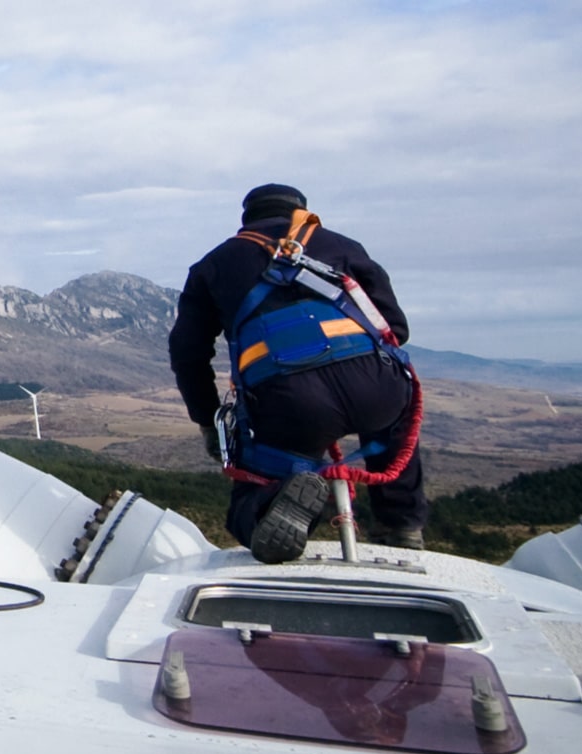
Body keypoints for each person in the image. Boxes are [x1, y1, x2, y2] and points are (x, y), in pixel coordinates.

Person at [168, 184, 426, 563]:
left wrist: (209, 422)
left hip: (291, 404)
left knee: (254, 483)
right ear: (302, 213)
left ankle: (268, 510)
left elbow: (187, 353)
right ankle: (401, 525)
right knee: (392, 422)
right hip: (376, 386)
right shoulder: (344, 246)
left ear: (246, 220)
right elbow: (395, 329)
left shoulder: (214, 265)